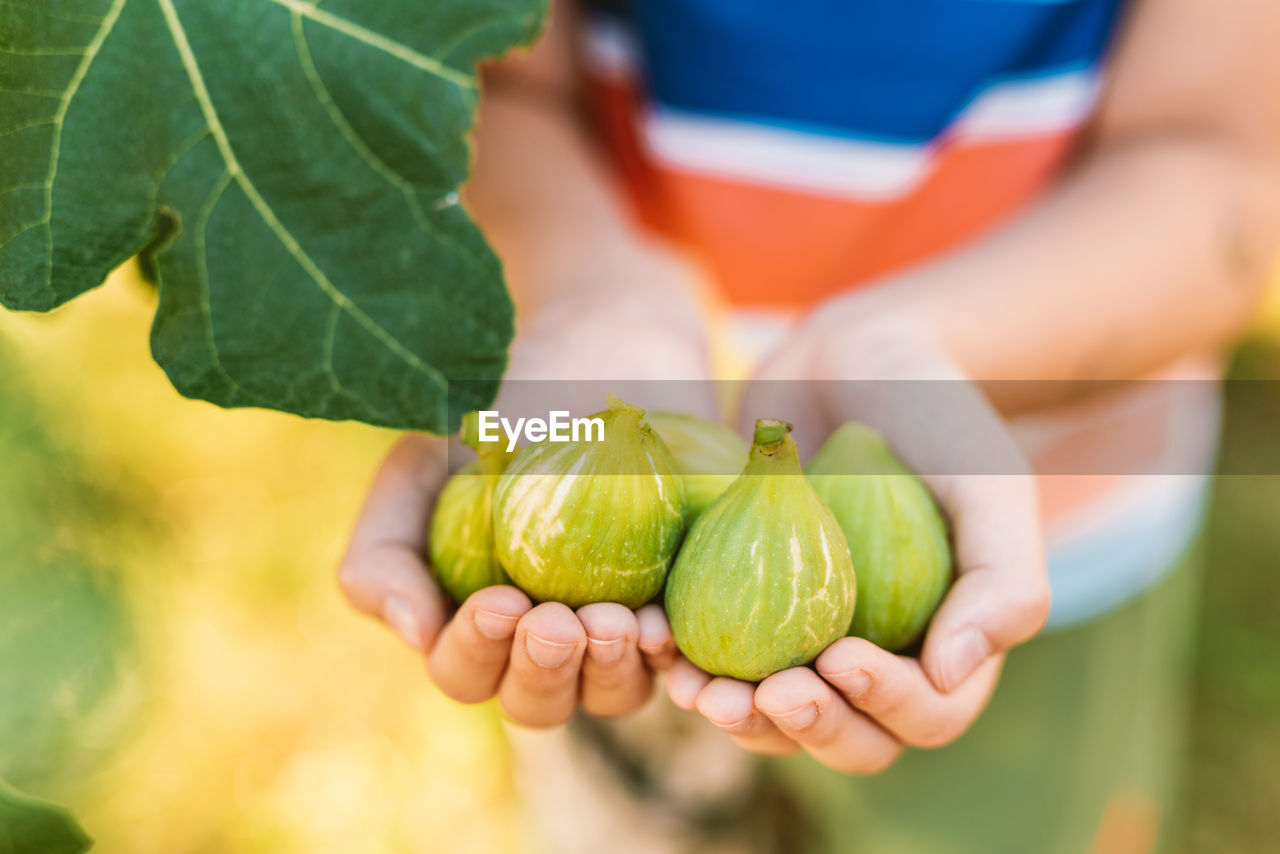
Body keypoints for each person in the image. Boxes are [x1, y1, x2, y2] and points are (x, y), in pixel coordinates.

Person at [337, 1, 1280, 851]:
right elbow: (490, 83)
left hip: (1043, 528)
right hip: (616, 629)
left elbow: (1228, 170)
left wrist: (911, 348)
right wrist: (586, 288)